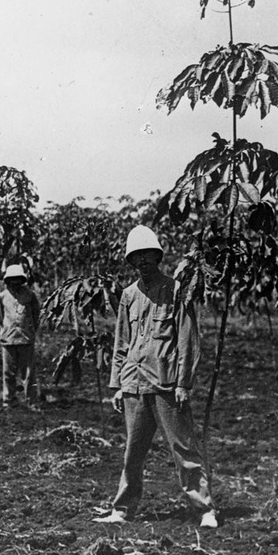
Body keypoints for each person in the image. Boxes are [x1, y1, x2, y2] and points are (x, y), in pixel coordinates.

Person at [94, 226, 218, 529]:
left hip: (165, 384)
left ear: (157, 256)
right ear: (132, 261)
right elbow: (122, 341)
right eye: (137, 257)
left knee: (184, 449)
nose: (143, 261)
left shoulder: (176, 291)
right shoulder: (128, 296)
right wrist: (118, 386)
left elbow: (188, 339)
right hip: (134, 385)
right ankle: (123, 509)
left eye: (148, 255)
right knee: (132, 453)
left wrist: (182, 383)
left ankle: (204, 509)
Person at [0, 263, 41, 410]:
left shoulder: (29, 295)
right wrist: (5, 331)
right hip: (8, 339)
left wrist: (31, 331)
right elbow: (0, 317)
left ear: (21, 279)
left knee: (28, 373)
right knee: (8, 372)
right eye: (12, 279)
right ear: (7, 280)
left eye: (17, 279)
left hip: (25, 339)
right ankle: (8, 401)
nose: (15, 282)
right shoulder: (3, 296)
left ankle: (32, 402)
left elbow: (36, 314)